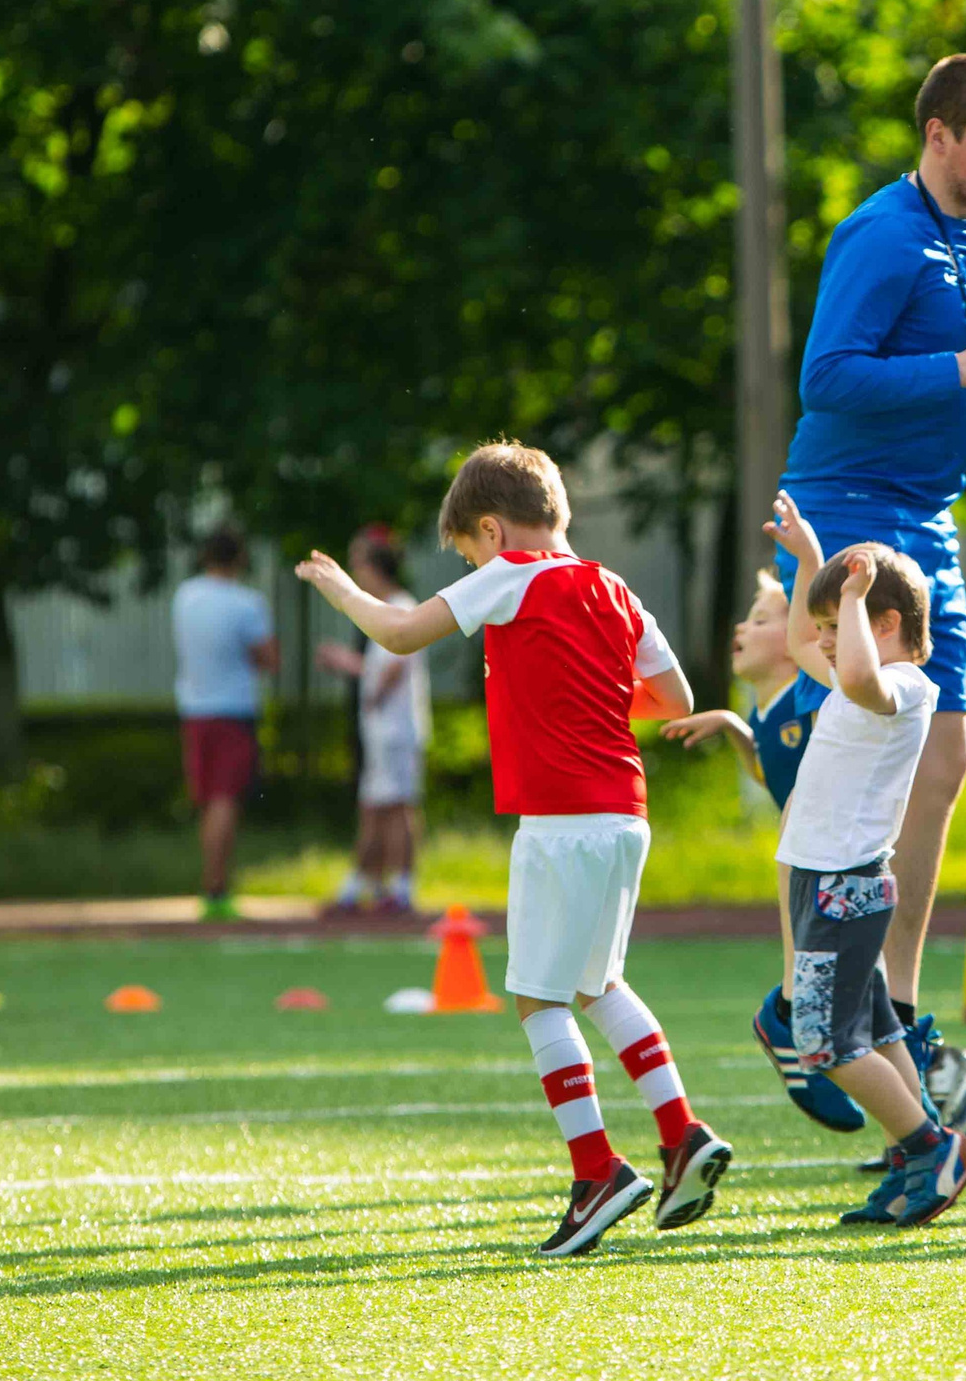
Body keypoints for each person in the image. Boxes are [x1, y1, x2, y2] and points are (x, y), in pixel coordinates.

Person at [295, 441, 732, 1257]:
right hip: (626, 813)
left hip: (560, 821)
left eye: (466, 550)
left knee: (539, 999)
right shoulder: (615, 587)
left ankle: (597, 1170)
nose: (470, 562)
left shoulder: (511, 575)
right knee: (598, 982)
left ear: (492, 531)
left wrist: (339, 585)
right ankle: (680, 1133)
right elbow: (677, 698)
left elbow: (396, 633)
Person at [774, 52, 966, 1101]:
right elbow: (826, 377)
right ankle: (812, 1006)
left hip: (927, 516)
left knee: (942, 764)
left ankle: (888, 1000)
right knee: (859, 765)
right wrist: (954, 372)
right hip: (846, 509)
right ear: (938, 136)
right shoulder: (881, 232)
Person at [760, 493, 966, 1228]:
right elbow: (801, 648)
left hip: (842, 890)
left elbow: (857, 675)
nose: (824, 639)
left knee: (821, 1042)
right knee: (880, 1034)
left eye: (841, 625)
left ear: (886, 624)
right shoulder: (856, 674)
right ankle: (906, 1158)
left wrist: (851, 598)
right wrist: (811, 561)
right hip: (829, 885)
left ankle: (930, 1147)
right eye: (828, 625)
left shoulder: (906, 687)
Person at [660, 571, 868, 1136]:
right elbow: (769, 769)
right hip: (813, 862)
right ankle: (798, 1030)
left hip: (840, 856)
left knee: (846, 978)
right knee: (830, 976)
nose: (741, 626)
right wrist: (732, 727)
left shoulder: (810, 693)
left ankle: (804, 1032)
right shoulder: (768, 709)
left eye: (760, 618)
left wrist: (807, 563)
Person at [314, 527, 430, 917]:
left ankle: (399, 885)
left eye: (359, 562)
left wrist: (373, 691)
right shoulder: (380, 610)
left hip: (396, 731)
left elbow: (392, 669)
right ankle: (370, 882)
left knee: (397, 806)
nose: (355, 571)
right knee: (375, 805)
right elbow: (376, 668)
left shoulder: (401, 605)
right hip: (381, 731)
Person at [171, 528, 279, 923]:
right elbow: (269, 658)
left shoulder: (184, 597)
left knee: (207, 800)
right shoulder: (246, 603)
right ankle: (216, 887)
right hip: (232, 710)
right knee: (224, 800)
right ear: (240, 559)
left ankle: (212, 885)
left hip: (194, 710)